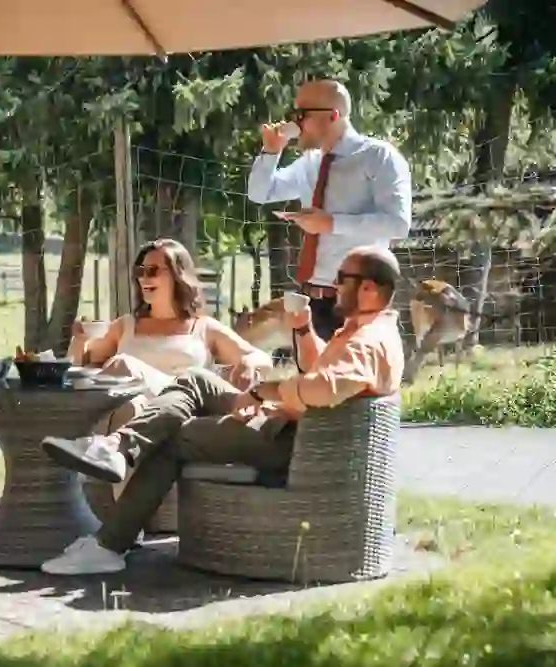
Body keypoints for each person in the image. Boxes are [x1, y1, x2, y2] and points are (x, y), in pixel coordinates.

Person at [39, 245, 405, 575]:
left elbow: (322, 389)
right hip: (286, 420)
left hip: (288, 435)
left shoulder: (368, 342)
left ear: (369, 288)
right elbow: (318, 371)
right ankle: (117, 448)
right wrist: (304, 328)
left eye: (343, 278)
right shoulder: (364, 330)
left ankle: (109, 544)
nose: (333, 286)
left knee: (175, 437)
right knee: (197, 380)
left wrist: (267, 390)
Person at [68, 237, 273, 503]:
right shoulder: (125, 325)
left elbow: (260, 358)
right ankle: (124, 520)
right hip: (138, 414)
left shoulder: (203, 327)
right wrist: (81, 339)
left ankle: (95, 457)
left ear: (178, 276)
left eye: (153, 271)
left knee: (121, 365)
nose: (143, 278)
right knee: (130, 405)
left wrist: (248, 362)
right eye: (140, 271)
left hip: (179, 409)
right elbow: (82, 363)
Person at [247, 79, 412, 342]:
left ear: (333, 116)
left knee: (355, 382)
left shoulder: (378, 157)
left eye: (301, 115)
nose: (295, 123)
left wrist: (332, 223)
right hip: (313, 302)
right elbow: (259, 193)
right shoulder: (309, 162)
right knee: (313, 381)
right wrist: (270, 151)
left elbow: (398, 224)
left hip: (359, 302)